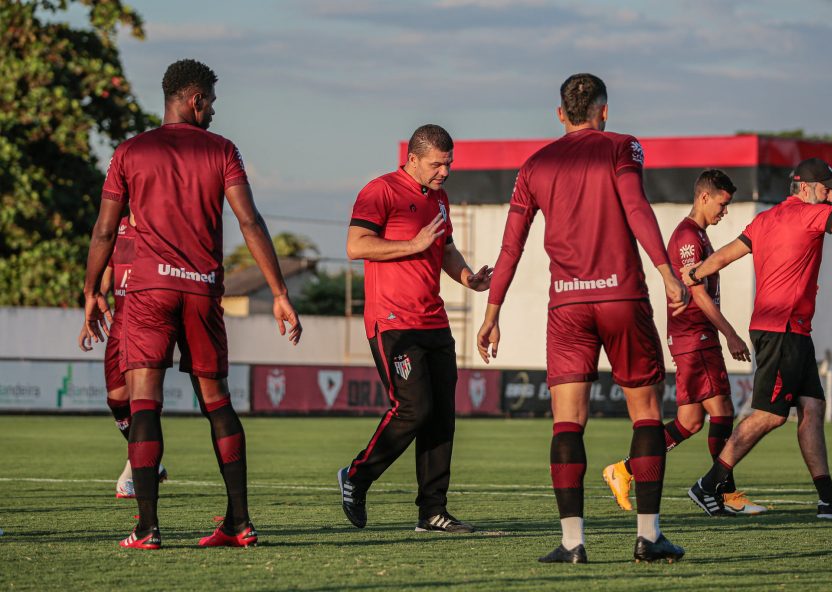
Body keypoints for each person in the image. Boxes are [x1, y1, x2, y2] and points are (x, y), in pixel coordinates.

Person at [81, 59, 303, 550]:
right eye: (212, 102)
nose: (214, 111)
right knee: (218, 404)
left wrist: (91, 287)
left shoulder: (130, 152)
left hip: (146, 292)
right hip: (201, 289)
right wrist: (281, 294)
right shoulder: (223, 151)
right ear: (195, 99)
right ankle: (239, 523)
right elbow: (251, 222)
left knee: (145, 404)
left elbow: (103, 230)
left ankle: (146, 528)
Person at [477, 73, 689, 564]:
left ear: (559, 114)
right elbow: (636, 207)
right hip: (622, 298)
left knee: (567, 423)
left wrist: (492, 312)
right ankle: (648, 537)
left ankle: (573, 544)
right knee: (647, 414)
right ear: (604, 110)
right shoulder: (622, 146)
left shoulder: (534, 165)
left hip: (567, 307)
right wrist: (667, 272)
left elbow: (512, 247)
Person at [684, 158, 832, 520]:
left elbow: (725, 255)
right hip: (781, 330)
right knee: (770, 416)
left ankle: (827, 500)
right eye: (826, 190)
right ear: (804, 188)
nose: (830, 198)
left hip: (793, 331)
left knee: (813, 409)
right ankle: (708, 485)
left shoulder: (765, 220)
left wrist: (695, 272)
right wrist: (695, 273)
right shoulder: (809, 215)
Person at [337, 124, 492, 534]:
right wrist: (412, 245)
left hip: (433, 320)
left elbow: (445, 248)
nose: (445, 172)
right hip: (392, 322)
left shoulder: (439, 197)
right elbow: (356, 245)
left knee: (442, 416)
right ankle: (356, 476)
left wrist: (468, 278)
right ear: (412, 158)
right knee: (413, 408)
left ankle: (432, 511)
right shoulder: (380, 190)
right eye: (437, 164)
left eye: (449, 164)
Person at [602, 170, 766, 516]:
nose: (725, 212)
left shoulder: (698, 236)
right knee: (722, 412)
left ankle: (624, 470)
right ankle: (724, 493)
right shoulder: (688, 237)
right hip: (696, 336)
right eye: (722, 204)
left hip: (693, 337)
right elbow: (698, 294)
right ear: (704, 197)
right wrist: (730, 332)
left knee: (690, 422)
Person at [78, 213, 167, 498]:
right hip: (120, 323)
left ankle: (135, 470)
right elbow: (108, 265)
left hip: (149, 322)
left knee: (143, 400)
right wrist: (97, 297)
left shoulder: (162, 225)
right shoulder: (117, 227)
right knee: (116, 400)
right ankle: (150, 459)